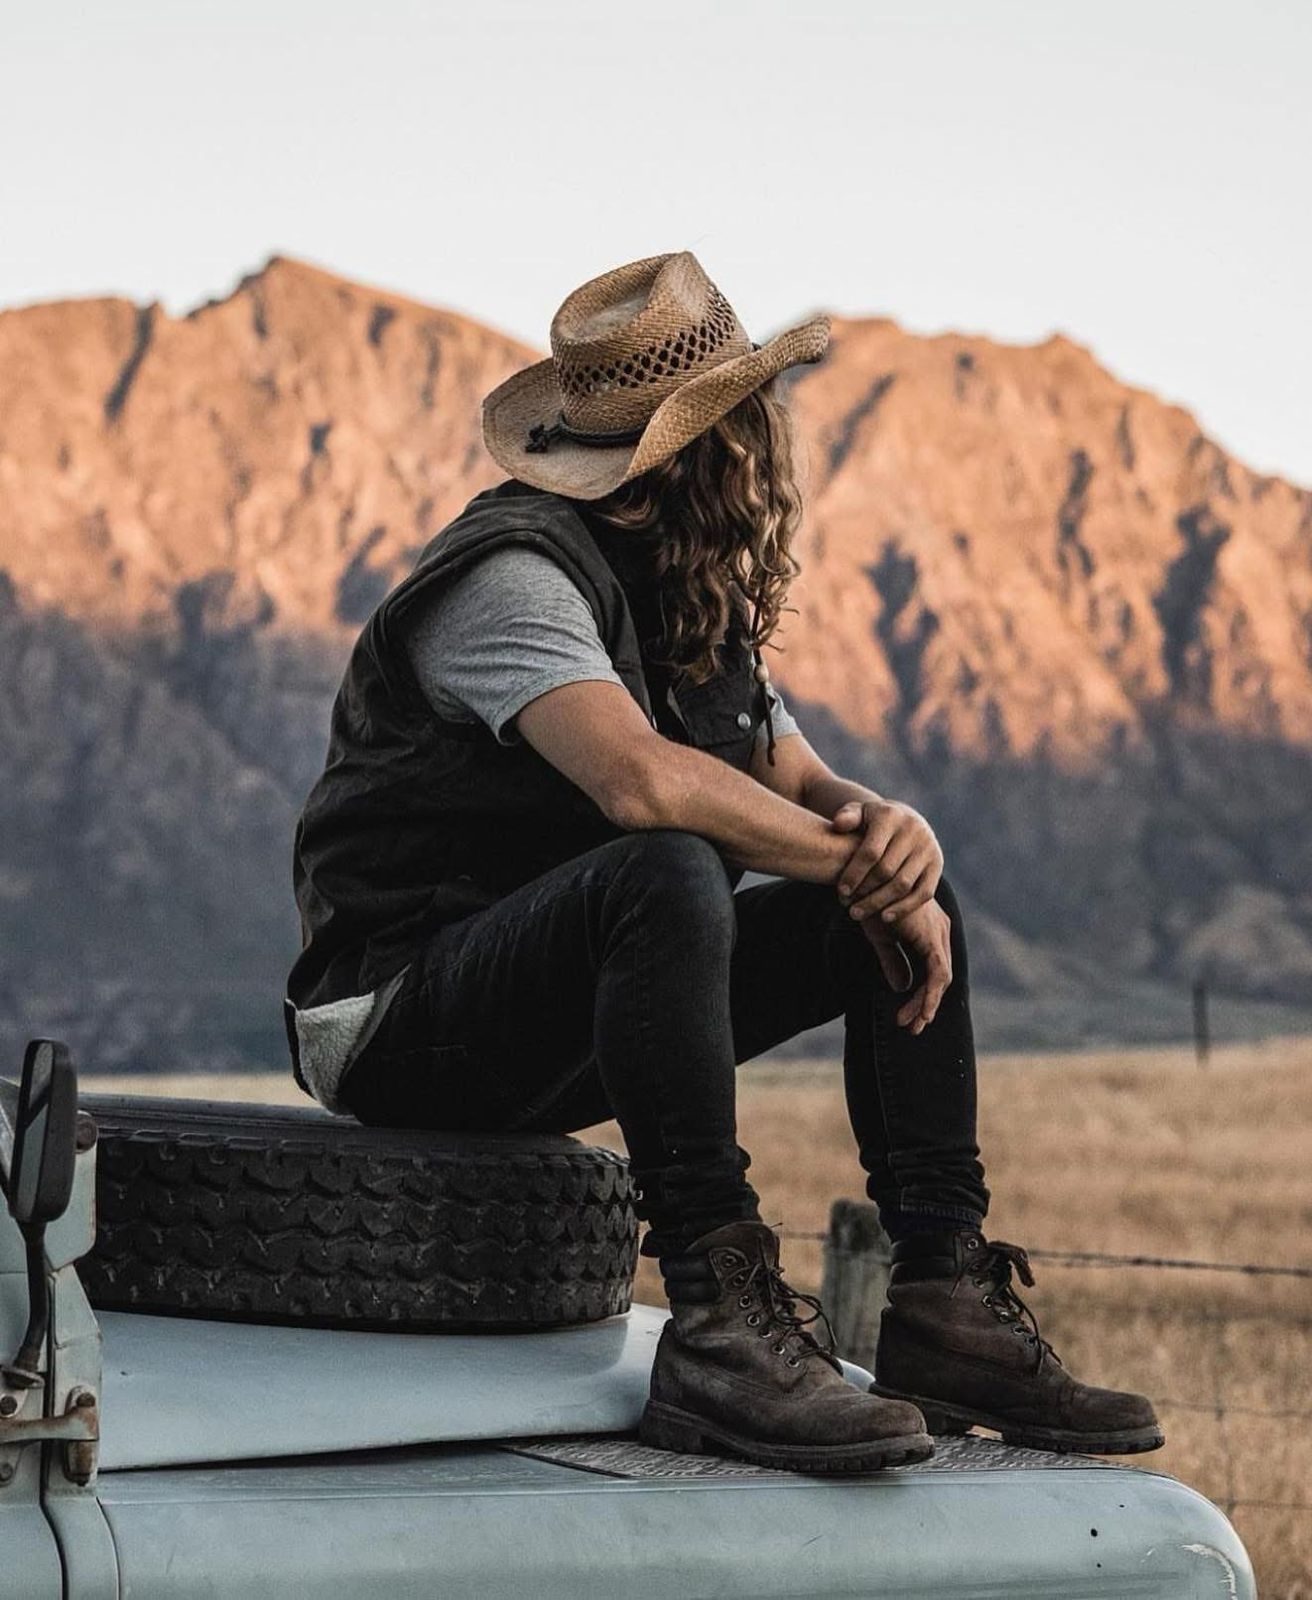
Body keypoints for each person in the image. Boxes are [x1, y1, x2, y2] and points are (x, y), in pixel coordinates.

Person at [283, 251, 1163, 1472]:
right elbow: (639, 780)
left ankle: (944, 1298)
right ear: (706, 444)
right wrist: (854, 862)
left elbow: (798, 786)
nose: (770, 452)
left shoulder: (683, 592)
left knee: (892, 883)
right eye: (749, 424)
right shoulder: (513, 575)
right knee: (669, 865)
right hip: (396, 1016)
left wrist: (894, 836)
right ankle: (718, 1320)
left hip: (553, 1006)